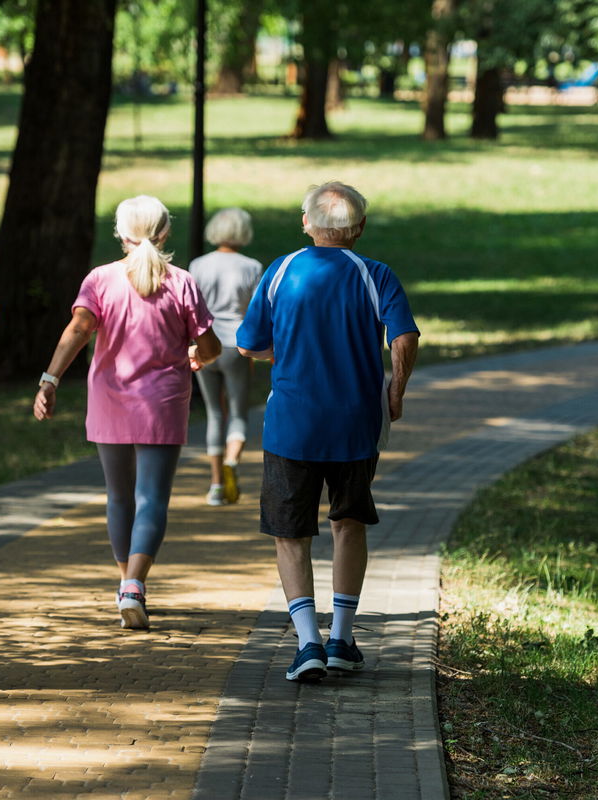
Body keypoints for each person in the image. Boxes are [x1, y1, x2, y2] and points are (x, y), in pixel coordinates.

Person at [237, 181, 420, 682]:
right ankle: (342, 637)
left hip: (291, 425)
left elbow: (250, 344)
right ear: (358, 228)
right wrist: (396, 393)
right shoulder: (376, 274)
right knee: (349, 524)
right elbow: (403, 336)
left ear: (305, 223)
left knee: (290, 534)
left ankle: (308, 644)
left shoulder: (281, 271)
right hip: (357, 423)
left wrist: (280, 353)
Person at [33, 195, 220, 630]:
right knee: (152, 498)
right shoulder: (181, 282)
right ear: (165, 232)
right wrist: (199, 355)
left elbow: (79, 328)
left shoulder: (100, 280)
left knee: (119, 496)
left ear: (121, 234)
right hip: (163, 404)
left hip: (110, 401)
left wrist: (50, 378)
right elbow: (210, 346)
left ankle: (126, 585)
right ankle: (133, 586)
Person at [188, 208, 263, 506]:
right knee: (238, 411)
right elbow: (257, 312)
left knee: (214, 413)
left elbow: (190, 306)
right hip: (237, 345)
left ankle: (216, 483)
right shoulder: (252, 266)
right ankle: (233, 460)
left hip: (206, 343)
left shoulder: (198, 265)